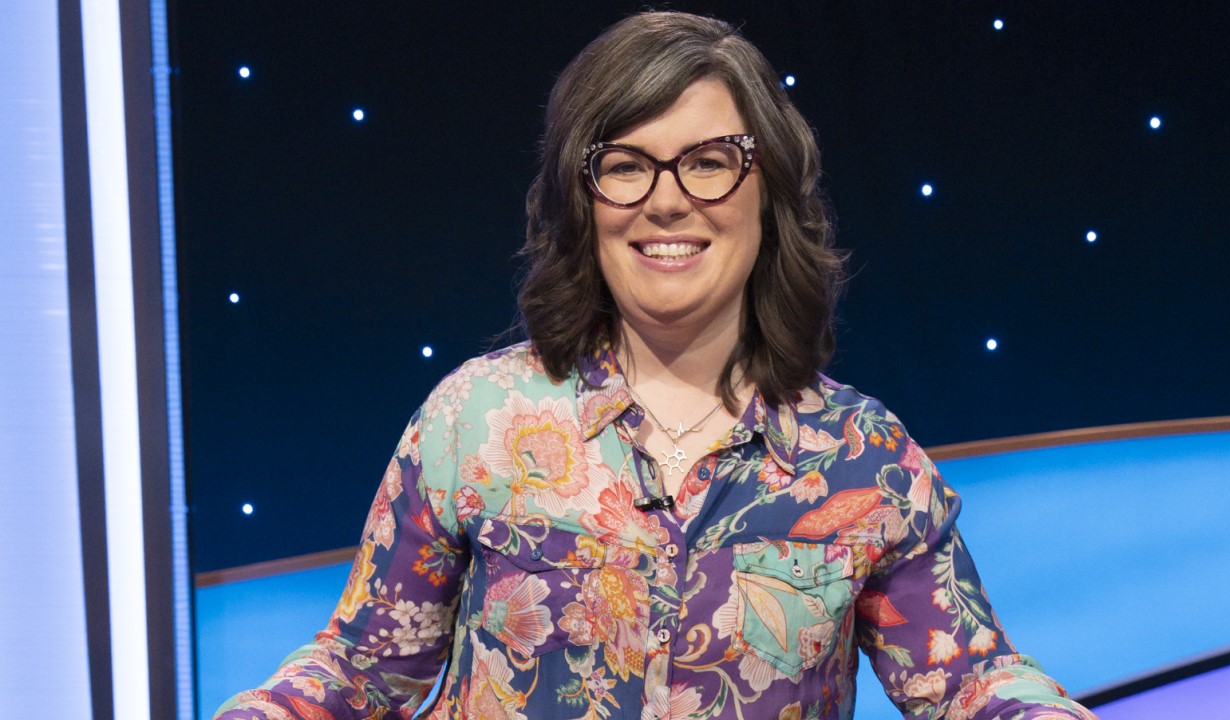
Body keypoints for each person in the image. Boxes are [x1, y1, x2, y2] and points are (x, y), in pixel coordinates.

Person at [216, 11, 1099, 720]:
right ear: (581, 199)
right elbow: (362, 670)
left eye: (709, 163)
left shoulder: (864, 459)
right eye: (626, 166)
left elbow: (969, 681)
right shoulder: (474, 421)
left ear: (769, 193)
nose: (667, 201)